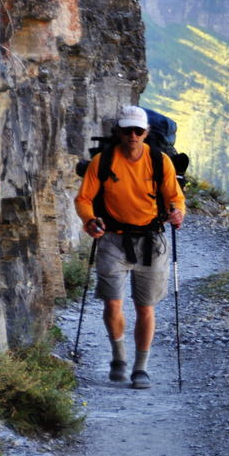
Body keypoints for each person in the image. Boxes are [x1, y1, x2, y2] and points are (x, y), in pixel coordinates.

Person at [74, 105, 185, 389]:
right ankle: (119, 358)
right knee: (113, 302)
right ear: (118, 132)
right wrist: (89, 221)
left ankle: (140, 368)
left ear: (146, 133)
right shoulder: (103, 161)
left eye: (138, 130)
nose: (133, 136)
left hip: (151, 241)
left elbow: (175, 197)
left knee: (145, 307)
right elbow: (84, 199)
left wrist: (177, 213)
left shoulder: (160, 162)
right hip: (112, 238)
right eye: (127, 130)